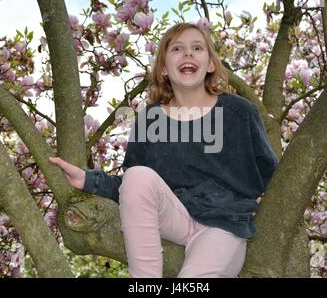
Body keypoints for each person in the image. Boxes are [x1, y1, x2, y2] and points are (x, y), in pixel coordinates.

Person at [49, 22, 279, 278]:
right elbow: (132, 189)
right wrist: (88, 179)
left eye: (197, 48)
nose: (188, 54)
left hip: (224, 222)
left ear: (212, 64)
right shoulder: (150, 119)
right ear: (164, 69)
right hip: (174, 216)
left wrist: (267, 198)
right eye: (177, 49)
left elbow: (270, 171)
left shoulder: (239, 112)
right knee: (138, 175)